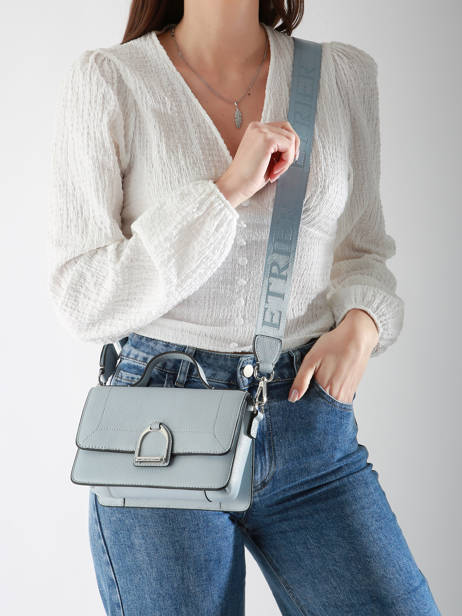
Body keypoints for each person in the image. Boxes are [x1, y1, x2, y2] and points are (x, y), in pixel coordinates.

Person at [48, 1, 441, 614]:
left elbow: (364, 251)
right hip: (160, 433)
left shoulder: (341, 75)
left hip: (311, 426)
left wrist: (363, 323)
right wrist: (226, 192)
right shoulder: (110, 80)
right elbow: (82, 298)